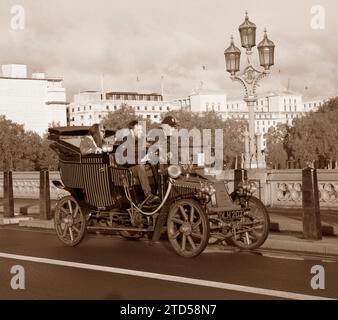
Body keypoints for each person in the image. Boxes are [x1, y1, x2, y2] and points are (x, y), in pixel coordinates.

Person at [126, 120, 160, 205]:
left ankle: (160, 191)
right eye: (138, 130)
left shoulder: (140, 140)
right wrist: (141, 160)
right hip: (128, 169)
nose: (141, 132)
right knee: (140, 167)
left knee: (156, 165)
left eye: (141, 130)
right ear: (131, 130)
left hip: (140, 166)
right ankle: (148, 195)